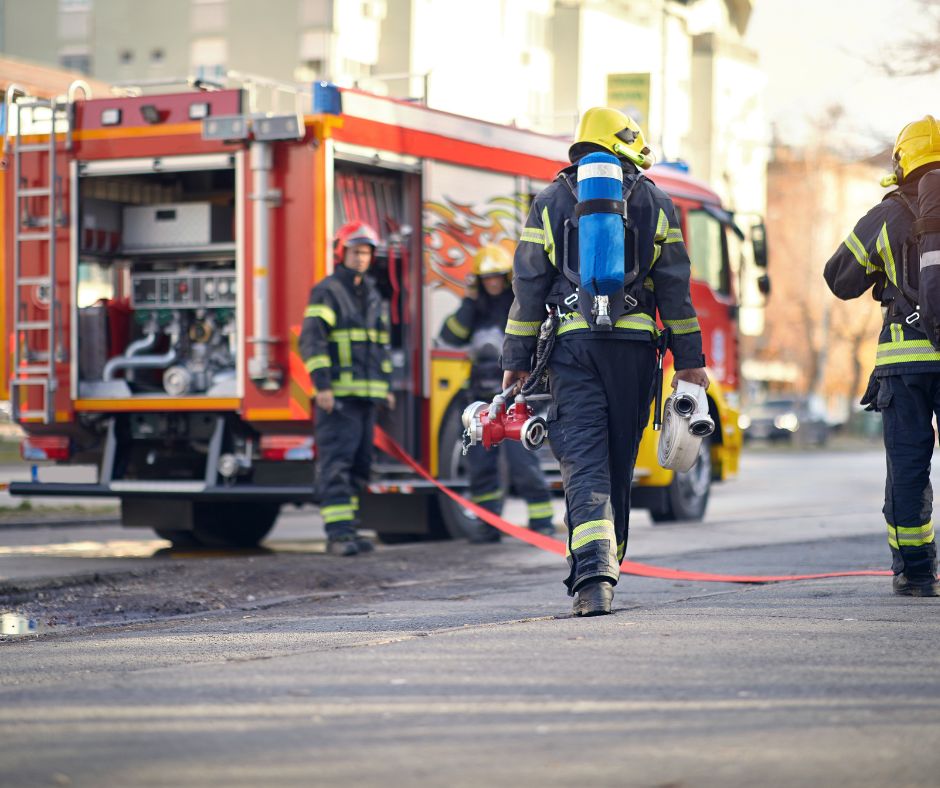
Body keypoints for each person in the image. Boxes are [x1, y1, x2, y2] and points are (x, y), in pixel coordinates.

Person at [501, 107, 709, 616]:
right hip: (635, 353)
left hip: (573, 351)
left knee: (584, 460)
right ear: (625, 145)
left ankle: (593, 579)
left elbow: (527, 286)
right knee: (617, 461)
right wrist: (690, 359)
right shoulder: (657, 202)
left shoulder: (549, 201)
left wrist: (517, 358)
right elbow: (676, 291)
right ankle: (608, 562)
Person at [824, 115, 940, 597]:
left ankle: (914, 573)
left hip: (905, 364)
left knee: (908, 467)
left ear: (901, 161)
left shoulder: (887, 215)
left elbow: (839, 277)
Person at [439, 244, 556, 542]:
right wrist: (469, 301)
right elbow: (449, 336)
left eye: (496, 276)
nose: (492, 282)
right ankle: (488, 524)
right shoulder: (473, 311)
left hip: (516, 398)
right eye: (486, 277)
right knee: (481, 465)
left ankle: (541, 521)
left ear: (506, 277)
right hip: (480, 398)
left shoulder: (519, 306)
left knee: (522, 462)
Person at [300, 221, 395, 557]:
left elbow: (381, 344)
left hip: (367, 397)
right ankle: (338, 534)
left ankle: (350, 529)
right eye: (355, 252)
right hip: (337, 398)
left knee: (359, 464)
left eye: (367, 252)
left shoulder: (371, 292)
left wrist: (385, 387)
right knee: (336, 463)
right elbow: (312, 340)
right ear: (342, 253)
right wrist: (322, 386)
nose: (361, 258)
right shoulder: (328, 290)